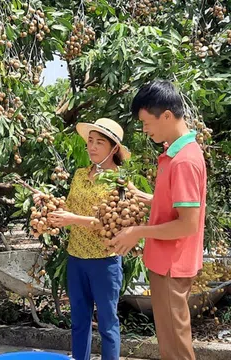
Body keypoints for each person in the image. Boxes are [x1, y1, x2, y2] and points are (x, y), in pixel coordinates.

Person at [107, 80, 206, 360]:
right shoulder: (176, 154)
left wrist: (138, 231)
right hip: (167, 262)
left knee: (175, 346)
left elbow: (187, 224)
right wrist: (149, 198)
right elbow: (181, 207)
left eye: (146, 122)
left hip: (171, 265)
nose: (144, 129)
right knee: (169, 341)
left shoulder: (184, 161)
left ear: (166, 116)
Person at [36, 118, 130, 360]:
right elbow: (69, 207)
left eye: (99, 142)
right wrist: (48, 203)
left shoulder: (119, 182)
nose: (92, 147)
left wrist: (72, 219)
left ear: (114, 149)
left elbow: (112, 225)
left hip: (104, 261)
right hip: (76, 257)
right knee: (79, 322)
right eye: (90, 141)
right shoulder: (79, 174)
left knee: (108, 324)